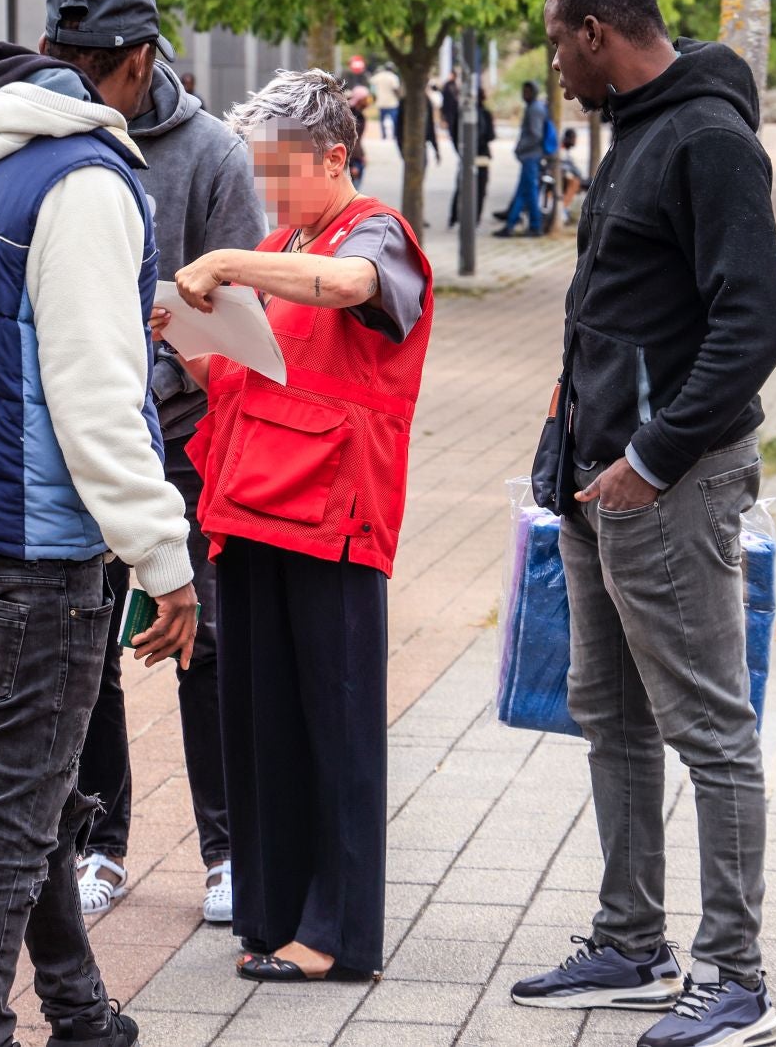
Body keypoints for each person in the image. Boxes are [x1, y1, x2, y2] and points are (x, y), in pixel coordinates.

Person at [0, 16, 200, 1047]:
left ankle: (78, 1008)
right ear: (132, 67)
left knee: (36, 789)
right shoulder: (84, 183)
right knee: (16, 807)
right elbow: (96, 396)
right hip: (39, 538)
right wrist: (168, 555)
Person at [512, 0, 776, 1047]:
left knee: (710, 727)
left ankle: (737, 979)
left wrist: (656, 456)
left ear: (595, 32)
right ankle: (632, 940)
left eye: (553, 40)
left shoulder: (708, 139)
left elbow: (754, 325)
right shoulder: (634, 128)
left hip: (669, 485)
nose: (552, 63)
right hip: (598, 483)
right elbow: (609, 316)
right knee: (610, 712)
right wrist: (563, 450)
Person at [167, 68, 434, 985]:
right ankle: (273, 912)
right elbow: (261, 370)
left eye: (280, 172)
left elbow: (353, 286)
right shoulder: (287, 237)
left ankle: (337, 931)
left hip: (333, 514)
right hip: (252, 506)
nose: (266, 192)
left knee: (337, 727)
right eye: (260, 172)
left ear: (335, 156)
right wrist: (194, 344)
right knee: (262, 723)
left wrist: (232, 264)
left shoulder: (375, 235)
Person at [39, 0, 268, 928]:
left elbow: (243, 318)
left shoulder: (210, 154)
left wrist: (160, 368)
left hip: (181, 438)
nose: (81, 91)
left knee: (202, 644)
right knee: (87, 650)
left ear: (140, 62)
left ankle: (226, 853)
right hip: (81, 437)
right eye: (66, 68)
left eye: (97, 72)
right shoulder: (53, 139)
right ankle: (102, 842)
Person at [499, 80, 552, 236]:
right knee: (522, 192)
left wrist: (520, 148)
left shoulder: (535, 109)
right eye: (524, 91)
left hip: (531, 156)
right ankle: (511, 224)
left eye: (528, 91)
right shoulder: (533, 107)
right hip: (529, 156)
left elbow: (536, 135)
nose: (525, 94)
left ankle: (535, 226)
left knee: (530, 192)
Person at [447, 82, 496, 228]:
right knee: (477, 187)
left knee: (463, 185)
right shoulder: (481, 113)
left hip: (471, 155)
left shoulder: (463, 113)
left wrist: (461, 151)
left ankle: (455, 218)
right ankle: (473, 219)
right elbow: (490, 135)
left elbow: (454, 135)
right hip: (479, 155)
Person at [555, 126, 589, 228]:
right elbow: (565, 165)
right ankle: (562, 210)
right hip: (560, 177)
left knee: (578, 182)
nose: (575, 141)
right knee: (575, 182)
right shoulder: (561, 148)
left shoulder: (566, 150)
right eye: (574, 138)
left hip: (565, 176)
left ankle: (566, 210)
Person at [369, 63, 400, 138]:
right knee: (394, 120)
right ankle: (394, 134)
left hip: (381, 102)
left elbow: (371, 81)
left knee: (382, 120)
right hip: (392, 102)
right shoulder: (393, 77)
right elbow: (395, 89)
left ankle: (384, 135)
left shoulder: (379, 75)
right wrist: (399, 97)